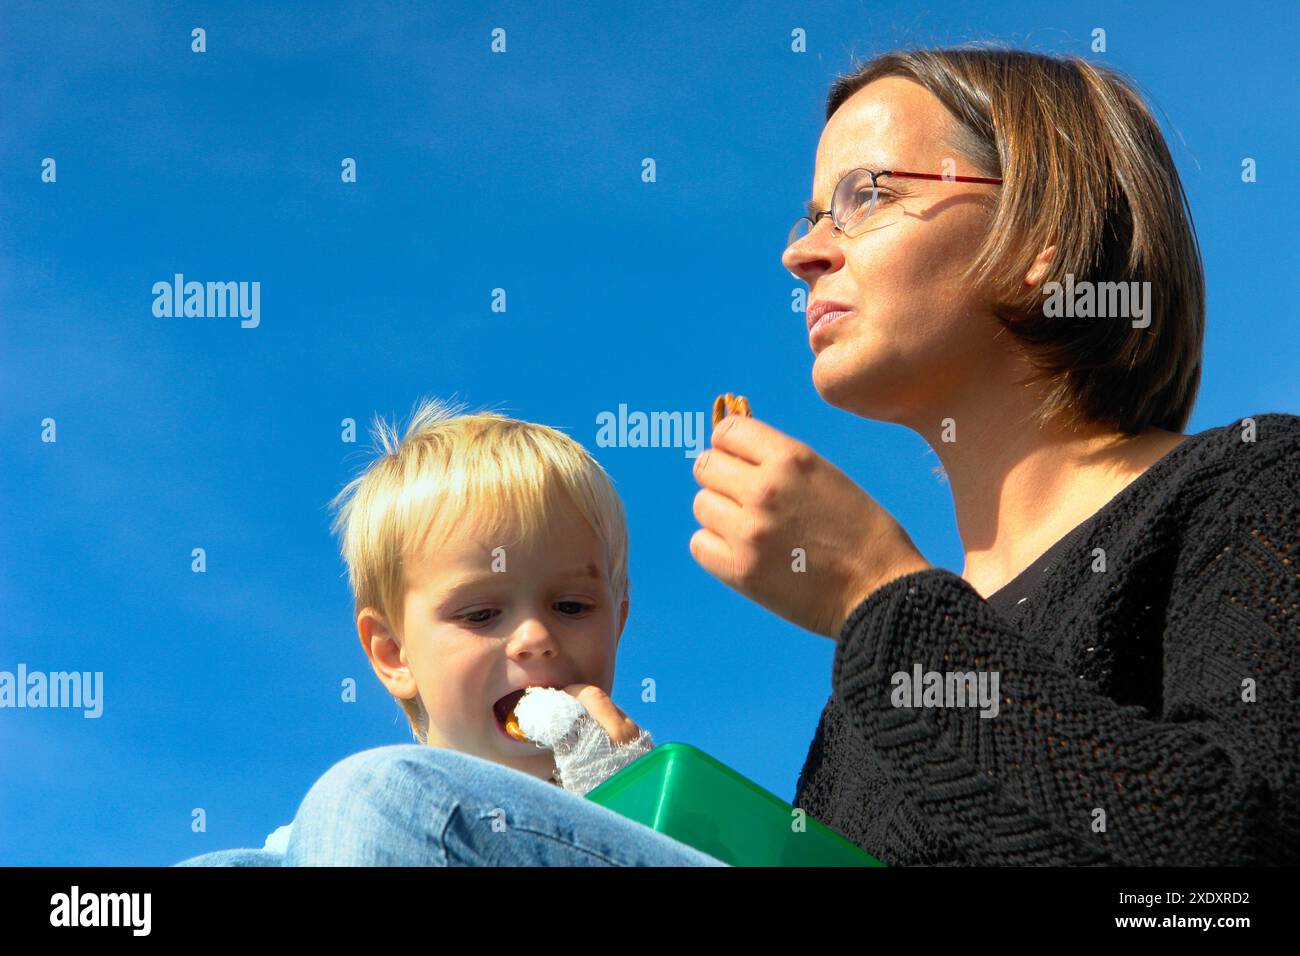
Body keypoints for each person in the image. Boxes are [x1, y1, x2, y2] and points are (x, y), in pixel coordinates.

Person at [688, 47, 1298, 865]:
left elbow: (1234, 862)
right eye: (812, 215)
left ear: (1039, 237)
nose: (802, 254)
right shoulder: (861, 698)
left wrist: (877, 594)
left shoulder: (1255, 488)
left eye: (866, 195)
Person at [176, 399, 728, 866]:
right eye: (481, 615)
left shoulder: (670, 801)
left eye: (570, 605)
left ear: (618, 621)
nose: (535, 636)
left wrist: (623, 795)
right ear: (394, 654)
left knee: (374, 798)